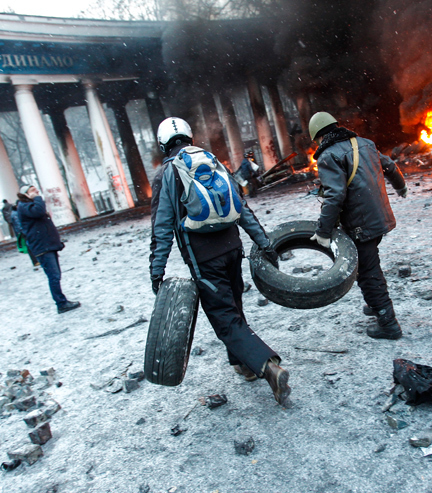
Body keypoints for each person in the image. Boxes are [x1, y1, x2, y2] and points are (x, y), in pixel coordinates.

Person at [149, 117, 291, 407]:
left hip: (203, 257)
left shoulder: (166, 174)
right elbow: (241, 208)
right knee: (234, 307)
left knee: (224, 319)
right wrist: (264, 243)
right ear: (189, 136)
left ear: (163, 144)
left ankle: (268, 366)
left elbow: (161, 227)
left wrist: (157, 270)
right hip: (232, 248)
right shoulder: (213, 161)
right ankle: (242, 364)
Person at [308, 111, 408, 340]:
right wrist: (401, 187)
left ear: (317, 137)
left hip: (360, 223)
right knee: (369, 265)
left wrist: (323, 232)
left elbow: (335, 196)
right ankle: (376, 306)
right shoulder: (365, 143)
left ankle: (388, 323)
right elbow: (389, 166)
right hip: (379, 216)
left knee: (368, 273)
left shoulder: (327, 156)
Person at [16, 185, 81, 314]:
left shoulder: (28, 206)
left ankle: (61, 302)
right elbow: (39, 211)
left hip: (46, 245)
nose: (36, 192)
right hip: (42, 247)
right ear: (25, 194)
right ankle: (61, 304)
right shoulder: (24, 206)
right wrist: (38, 198)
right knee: (54, 276)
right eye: (32, 191)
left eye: (36, 190)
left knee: (55, 275)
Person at [10, 202, 39, 267]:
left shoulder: (14, 213)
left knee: (30, 245)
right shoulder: (16, 214)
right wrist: (24, 231)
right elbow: (18, 224)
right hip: (24, 232)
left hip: (22, 231)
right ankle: (35, 261)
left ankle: (36, 260)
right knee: (30, 246)